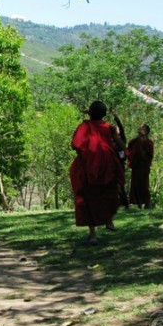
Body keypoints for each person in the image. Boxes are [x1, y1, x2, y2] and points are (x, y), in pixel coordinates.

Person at [69, 101, 125, 245]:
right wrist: (127, 152)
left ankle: (93, 236)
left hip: (89, 164)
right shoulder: (108, 127)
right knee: (108, 194)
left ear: (90, 113)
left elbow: (75, 144)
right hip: (108, 164)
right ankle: (109, 221)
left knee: (89, 199)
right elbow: (120, 142)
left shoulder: (84, 126)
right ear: (104, 114)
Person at [127, 124, 155, 209]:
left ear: (146, 131)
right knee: (135, 184)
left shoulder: (149, 142)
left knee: (144, 183)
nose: (140, 129)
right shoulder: (134, 141)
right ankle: (138, 202)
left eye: (143, 128)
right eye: (140, 128)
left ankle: (147, 202)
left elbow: (150, 154)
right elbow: (129, 150)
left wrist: (144, 154)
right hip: (136, 165)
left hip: (144, 165)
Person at [112, 112, 129, 209]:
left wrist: (116, 118)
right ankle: (117, 203)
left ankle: (125, 203)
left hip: (120, 164)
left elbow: (121, 128)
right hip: (112, 165)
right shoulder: (111, 141)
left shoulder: (122, 139)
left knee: (120, 184)